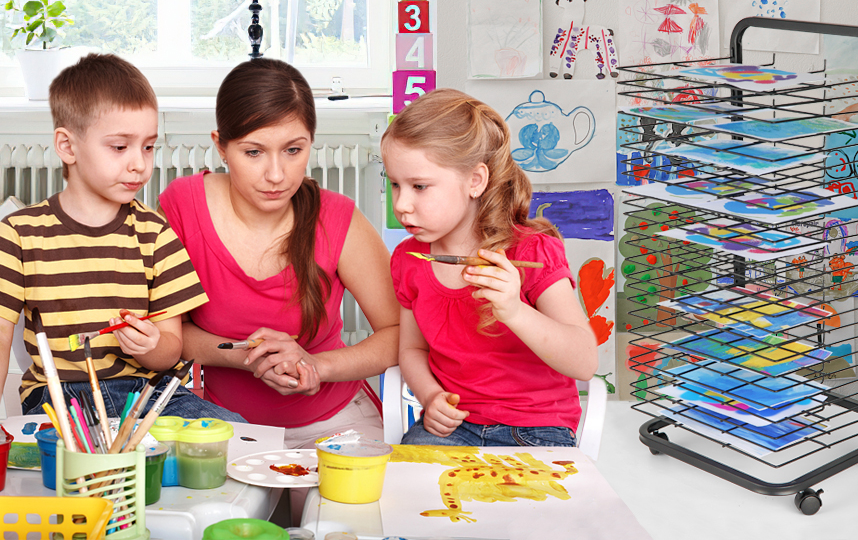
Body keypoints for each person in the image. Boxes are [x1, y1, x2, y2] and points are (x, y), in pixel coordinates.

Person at [0, 53, 243, 423]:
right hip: (61, 397)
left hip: (150, 394)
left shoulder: (156, 235)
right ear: (67, 146)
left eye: (148, 146)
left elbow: (171, 348)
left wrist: (151, 347)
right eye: (120, 147)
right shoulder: (20, 233)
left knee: (236, 431)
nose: (139, 164)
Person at [158, 58, 399, 449]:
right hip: (224, 426)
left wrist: (318, 366)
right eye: (253, 152)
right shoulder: (182, 206)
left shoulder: (338, 217)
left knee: (343, 509)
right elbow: (170, 334)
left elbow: (400, 332)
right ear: (221, 146)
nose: (276, 174)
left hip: (336, 421)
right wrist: (247, 357)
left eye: (292, 150)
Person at [382, 88, 598, 447]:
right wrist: (430, 397)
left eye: (419, 186)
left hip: (538, 429)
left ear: (475, 181)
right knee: (407, 497)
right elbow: (412, 350)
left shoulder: (532, 251)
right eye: (394, 184)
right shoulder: (409, 259)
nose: (402, 204)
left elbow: (584, 362)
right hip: (453, 430)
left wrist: (514, 311)